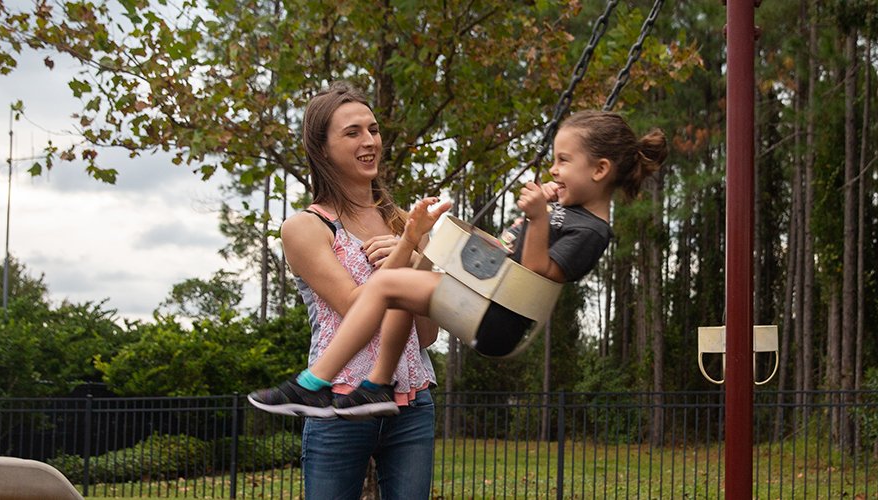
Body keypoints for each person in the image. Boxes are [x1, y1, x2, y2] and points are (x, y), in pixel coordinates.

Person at [249, 110, 666, 418]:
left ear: (600, 170)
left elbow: (539, 273)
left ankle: (312, 385)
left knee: (384, 285)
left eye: (563, 161)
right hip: (486, 296)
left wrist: (538, 217)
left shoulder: (592, 230)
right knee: (399, 288)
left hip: (500, 317)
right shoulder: (568, 211)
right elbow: (509, 250)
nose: (553, 171)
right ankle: (377, 385)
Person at [282, 81, 442, 500]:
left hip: (412, 404)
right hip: (338, 406)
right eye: (352, 133)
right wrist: (407, 249)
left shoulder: (404, 221)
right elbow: (357, 309)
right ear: (322, 147)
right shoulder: (306, 228)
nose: (369, 141)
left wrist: (414, 253)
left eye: (372, 129)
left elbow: (426, 336)